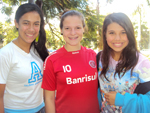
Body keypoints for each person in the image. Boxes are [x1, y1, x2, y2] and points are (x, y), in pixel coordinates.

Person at [41, 10, 100, 113]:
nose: (73, 33)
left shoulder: (93, 56)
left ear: (83, 29)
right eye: (67, 28)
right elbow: (49, 99)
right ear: (61, 30)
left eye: (77, 28)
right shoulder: (52, 60)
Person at [97, 12, 150, 113]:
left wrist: (121, 100)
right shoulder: (100, 58)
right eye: (112, 33)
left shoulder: (142, 63)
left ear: (129, 34)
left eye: (123, 32)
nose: (118, 38)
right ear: (105, 34)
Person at [0, 3, 49, 113]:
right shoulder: (5, 54)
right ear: (16, 23)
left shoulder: (38, 50)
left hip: (41, 108)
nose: (31, 29)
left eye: (36, 24)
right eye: (26, 23)